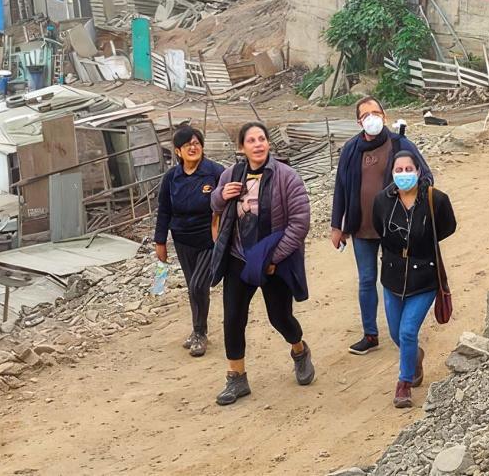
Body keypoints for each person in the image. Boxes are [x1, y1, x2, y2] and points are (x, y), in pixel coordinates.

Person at [209, 121, 313, 406]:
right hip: (239, 257)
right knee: (232, 318)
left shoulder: (286, 176)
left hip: (273, 258)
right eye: (251, 140)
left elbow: (300, 223)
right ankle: (236, 377)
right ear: (242, 147)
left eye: (262, 139)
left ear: (268, 144)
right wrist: (221, 196)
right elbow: (216, 207)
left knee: (279, 317)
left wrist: (273, 258)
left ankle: (299, 350)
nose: (258, 144)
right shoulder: (231, 174)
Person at [330, 96, 432, 356]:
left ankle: (403, 332)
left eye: (376, 112)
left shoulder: (400, 144)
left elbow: (426, 177)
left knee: (395, 280)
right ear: (358, 121)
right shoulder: (351, 150)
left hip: (394, 230)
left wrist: (412, 200)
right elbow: (340, 189)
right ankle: (370, 334)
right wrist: (336, 226)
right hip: (360, 227)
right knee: (366, 280)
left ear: (384, 116)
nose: (372, 118)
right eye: (366, 115)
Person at [372, 150, 456, 408]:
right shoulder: (382, 201)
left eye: (409, 170)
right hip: (392, 276)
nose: (404, 175)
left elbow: (447, 227)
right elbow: (379, 228)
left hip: (424, 278)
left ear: (419, 172)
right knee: (398, 335)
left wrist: (420, 246)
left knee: (408, 331)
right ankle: (415, 356)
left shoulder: (436, 200)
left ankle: (404, 383)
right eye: (399, 170)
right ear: (392, 174)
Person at [154, 125, 225, 357]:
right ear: (178, 151)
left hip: (209, 239)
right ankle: (197, 330)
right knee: (193, 288)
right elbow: (164, 210)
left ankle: (200, 333)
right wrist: (160, 242)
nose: (193, 148)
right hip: (182, 239)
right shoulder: (171, 178)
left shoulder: (215, 172)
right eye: (187, 145)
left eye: (197, 143)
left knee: (198, 285)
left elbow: (230, 201)